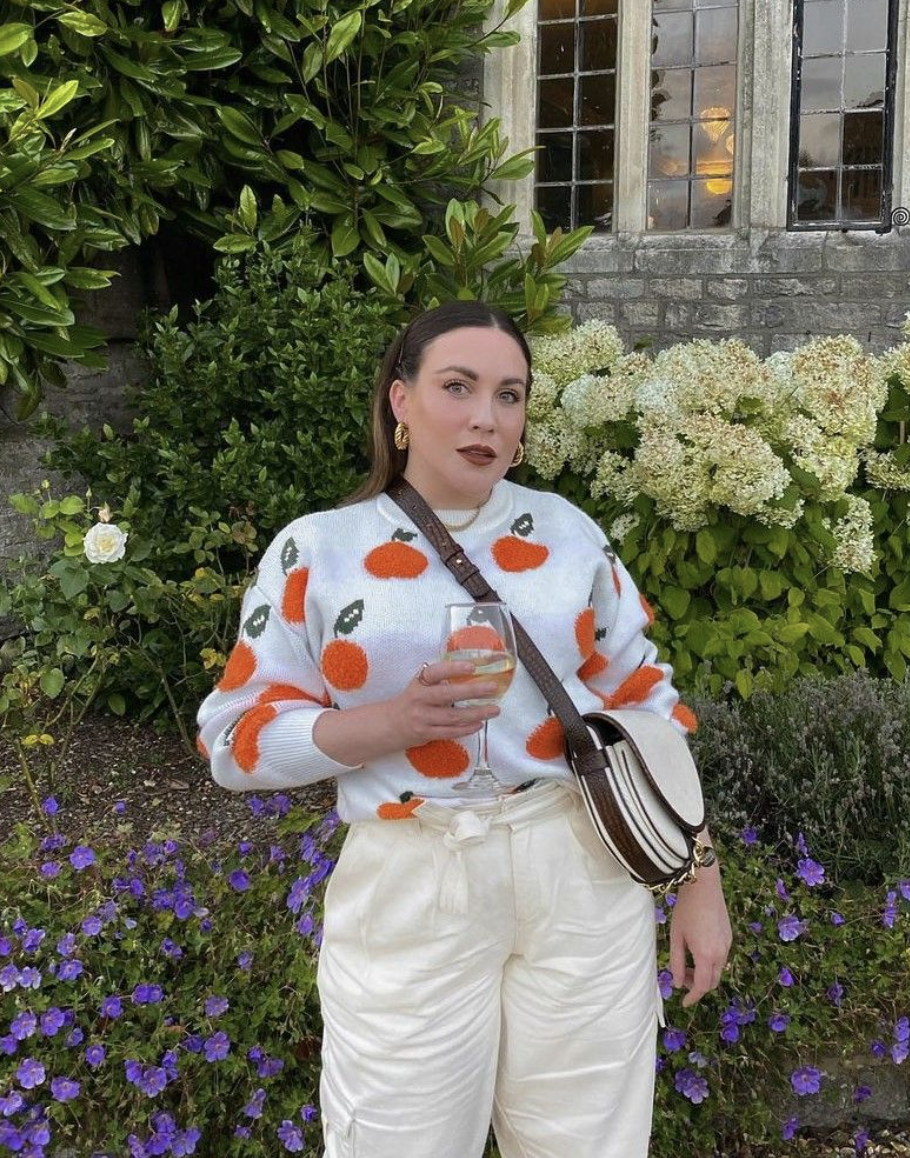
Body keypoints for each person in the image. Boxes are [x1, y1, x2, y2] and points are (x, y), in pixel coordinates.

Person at [196, 300, 732, 1158]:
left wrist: (699, 879)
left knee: (589, 1140)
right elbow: (232, 738)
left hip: (581, 875)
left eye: (510, 395)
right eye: (458, 386)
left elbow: (648, 705)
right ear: (400, 402)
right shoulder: (317, 551)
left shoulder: (568, 535)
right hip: (414, 879)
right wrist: (387, 724)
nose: (487, 416)